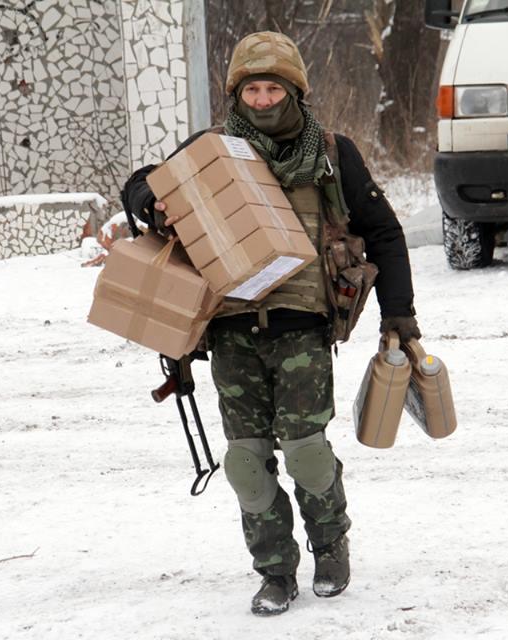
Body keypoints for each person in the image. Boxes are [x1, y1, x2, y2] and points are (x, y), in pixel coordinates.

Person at [120, 31, 419, 616]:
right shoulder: (211, 150)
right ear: (238, 92)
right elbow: (143, 185)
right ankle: (275, 571)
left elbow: (385, 233)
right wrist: (147, 201)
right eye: (251, 89)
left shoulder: (332, 154)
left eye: (271, 88)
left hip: (302, 326)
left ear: (294, 91)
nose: (261, 100)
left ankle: (330, 546)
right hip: (231, 330)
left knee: (306, 449)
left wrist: (400, 315)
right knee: (246, 461)